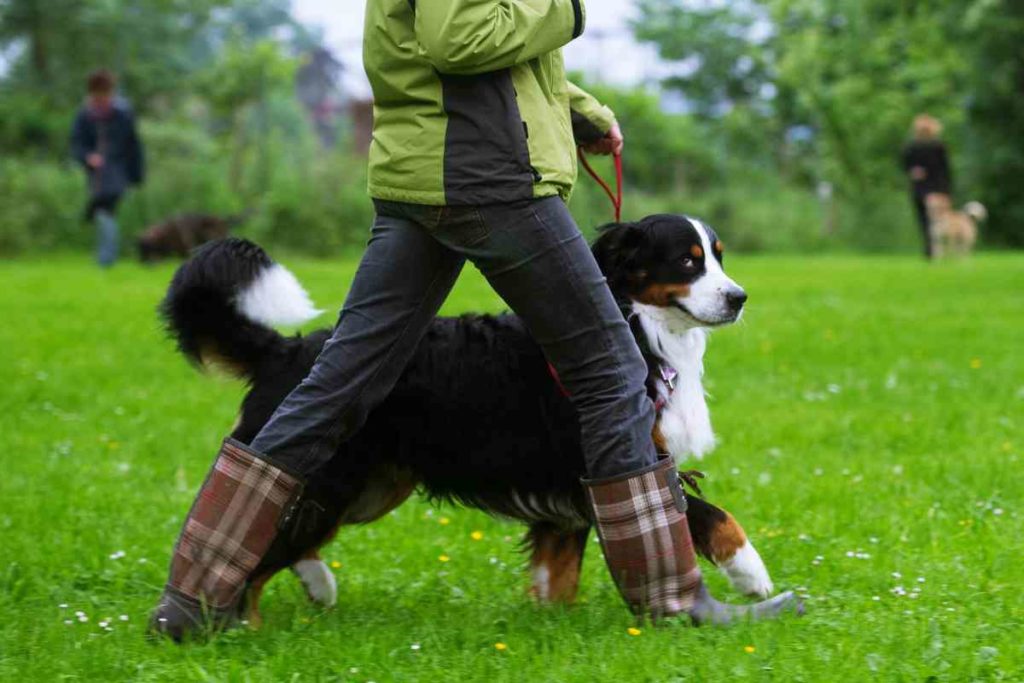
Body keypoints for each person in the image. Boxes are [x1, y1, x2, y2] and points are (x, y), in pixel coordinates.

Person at [152, 0, 799, 640]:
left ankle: (197, 598)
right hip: (489, 174)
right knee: (611, 369)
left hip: (425, 169)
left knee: (338, 380)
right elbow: (459, 37)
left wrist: (576, 111)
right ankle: (674, 599)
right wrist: (565, 13)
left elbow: (472, 50)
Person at [70, 70, 145, 268]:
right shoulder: (84, 115)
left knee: (104, 209)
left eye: (106, 93)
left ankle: (106, 259)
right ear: (92, 93)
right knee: (103, 211)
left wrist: (136, 176)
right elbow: (76, 145)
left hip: (118, 172)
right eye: (99, 94)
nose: (103, 98)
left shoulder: (123, 113)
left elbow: (134, 146)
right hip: (96, 175)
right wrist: (88, 157)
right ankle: (106, 256)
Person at [902, 114, 951, 259]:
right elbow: (946, 169)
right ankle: (934, 249)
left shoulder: (933, 146)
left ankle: (932, 250)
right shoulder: (914, 147)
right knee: (931, 221)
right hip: (930, 187)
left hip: (930, 188)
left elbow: (944, 169)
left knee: (929, 221)